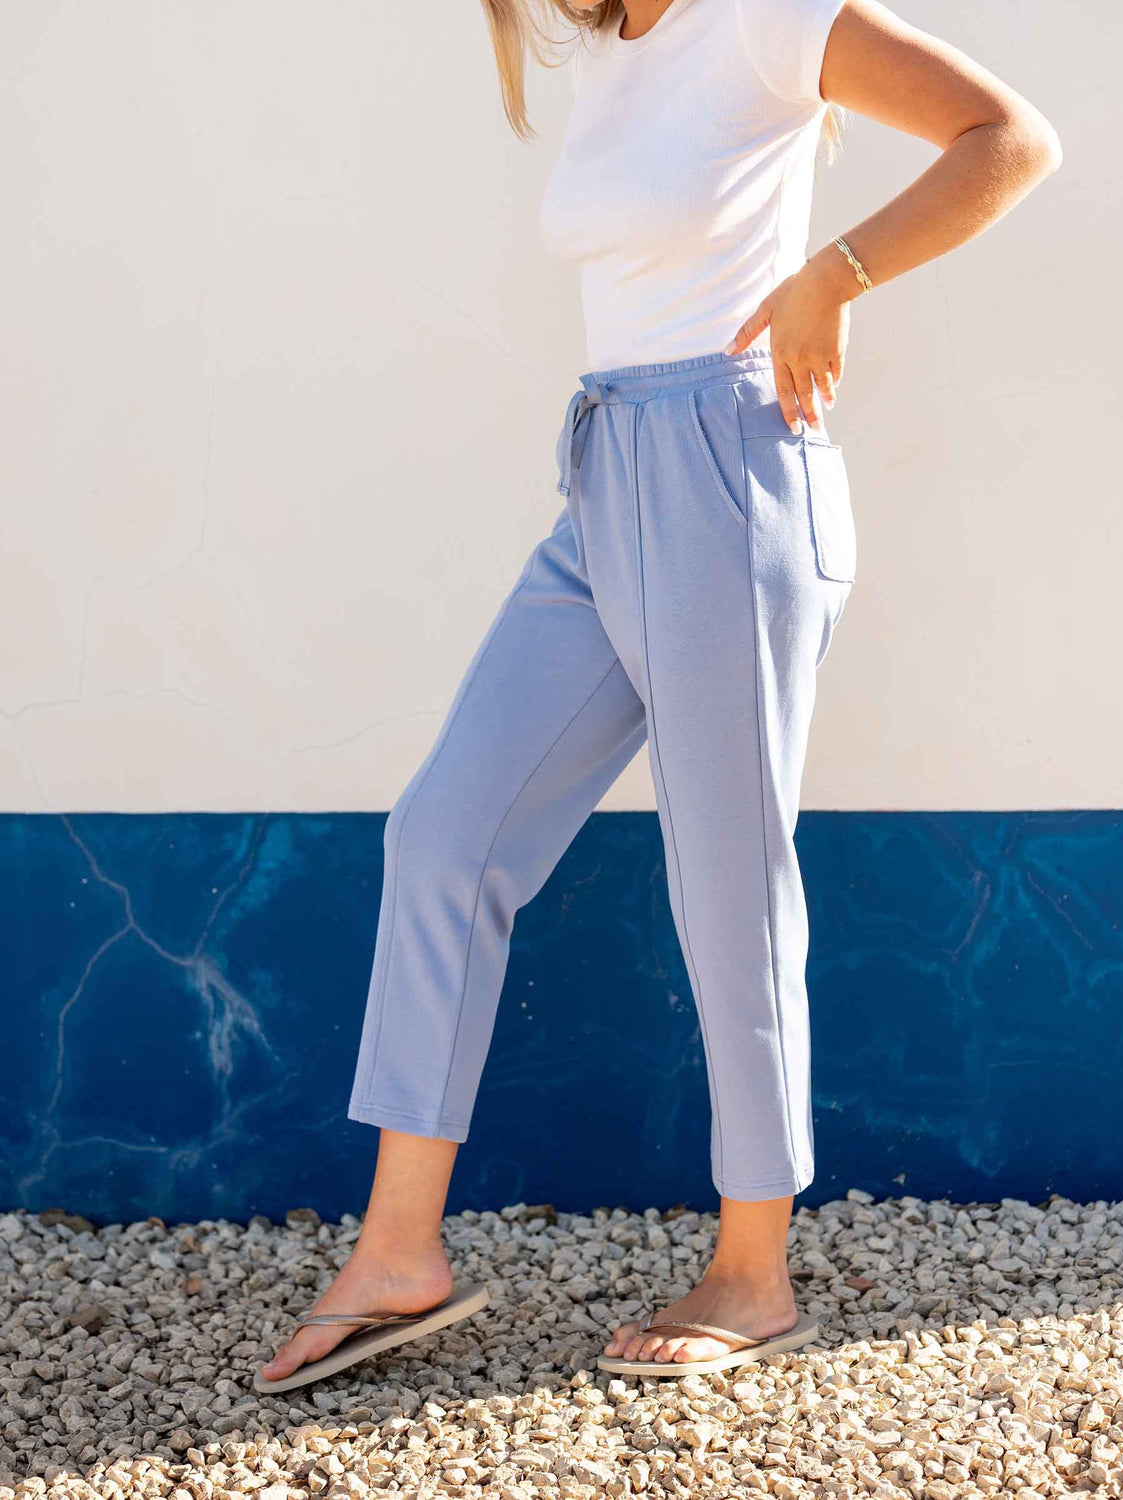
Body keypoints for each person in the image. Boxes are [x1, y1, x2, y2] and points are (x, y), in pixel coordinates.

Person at [258, 0, 1061, 1390]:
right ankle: (398, 1253)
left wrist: (836, 273)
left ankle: (754, 1272)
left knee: (728, 879)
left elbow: (1011, 137)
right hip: (607, 471)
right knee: (446, 834)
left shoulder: (764, 14)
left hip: (730, 470)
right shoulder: (609, 50)